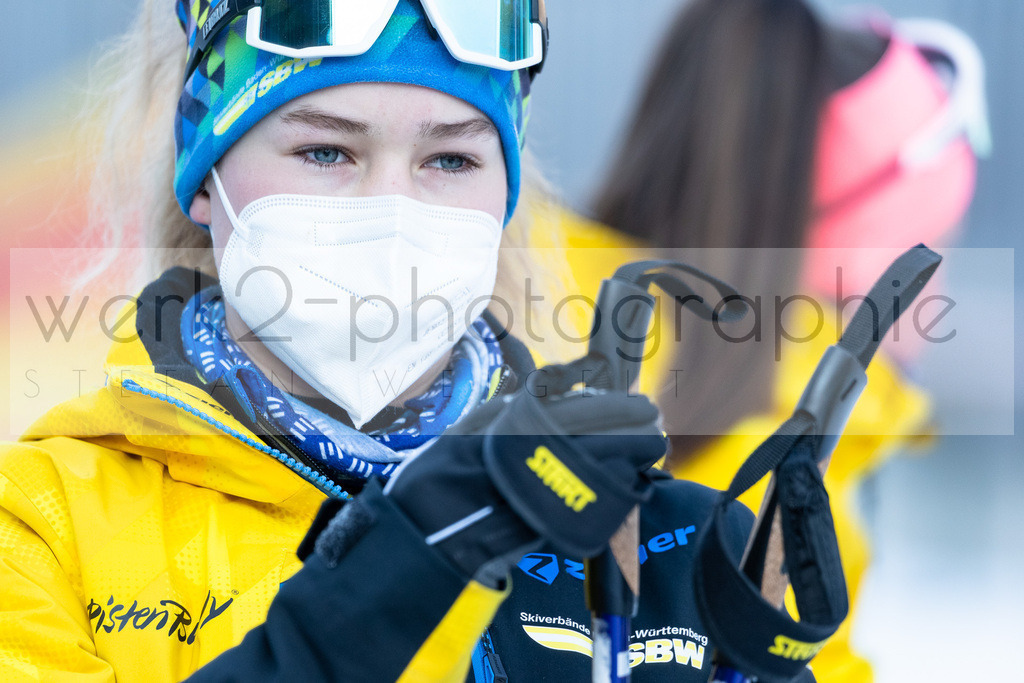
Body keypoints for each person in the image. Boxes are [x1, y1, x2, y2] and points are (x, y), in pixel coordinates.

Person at [0, 1, 788, 681]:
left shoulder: (637, 545)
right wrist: (405, 568)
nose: (392, 208)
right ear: (206, 177)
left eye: (450, 158)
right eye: (325, 151)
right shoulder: (42, 522)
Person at [553, 0, 988, 680]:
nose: (941, 293)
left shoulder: (507, 310)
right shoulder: (800, 460)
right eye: (936, 253)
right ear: (866, 276)